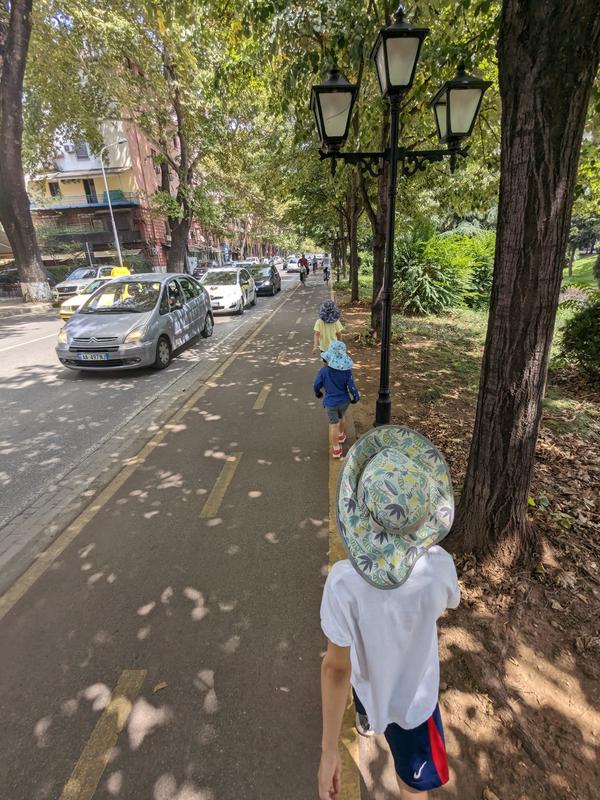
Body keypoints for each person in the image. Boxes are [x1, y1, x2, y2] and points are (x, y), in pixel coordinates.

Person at [317, 426, 459, 800]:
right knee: (413, 786)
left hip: (368, 686)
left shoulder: (343, 583)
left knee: (370, 702)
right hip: (416, 700)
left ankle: (368, 719)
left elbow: (336, 668)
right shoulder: (440, 567)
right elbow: (444, 606)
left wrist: (328, 750)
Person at [313, 341, 359, 459]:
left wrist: (318, 393)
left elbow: (316, 384)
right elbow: (352, 386)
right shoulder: (347, 372)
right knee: (342, 416)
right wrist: (355, 397)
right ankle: (341, 435)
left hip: (330, 403)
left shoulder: (324, 371)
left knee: (333, 425)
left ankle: (336, 449)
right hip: (344, 401)